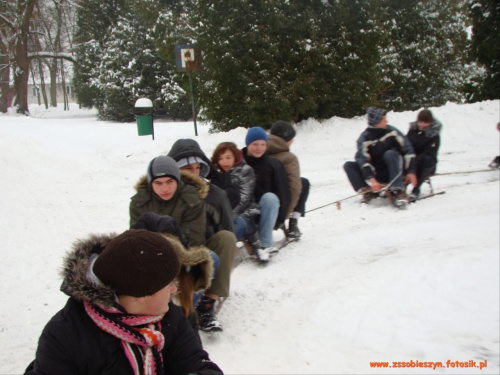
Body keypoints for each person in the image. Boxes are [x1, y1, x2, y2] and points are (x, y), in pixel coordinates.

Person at [24, 229, 222, 375]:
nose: (174, 290)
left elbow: (196, 363)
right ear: (141, 294)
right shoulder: (65, 336)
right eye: (169, 284)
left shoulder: (173, 317)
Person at [130, 155, 225, 333]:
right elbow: (136, 237)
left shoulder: (192, 199)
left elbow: (195, 241)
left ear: (177, 179)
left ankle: (183, 313)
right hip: (151, 259)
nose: (165, 188)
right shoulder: (139, 202)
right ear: (151, 183)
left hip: (183, 254)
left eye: (169, 182)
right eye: (158, 183)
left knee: (209, 259)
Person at [167, 139, 237, 331]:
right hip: (172, 253)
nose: (194, 172)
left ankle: (208, 303)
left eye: (197, 167)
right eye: (188, 168)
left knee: (227, 238)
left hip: (205, 248)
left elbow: (227, 227)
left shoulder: (215, 194)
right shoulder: (165, 191)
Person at [343, 107, 417, 207]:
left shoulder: (392, 131)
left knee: (390, 153)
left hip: (395, 171)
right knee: (349, 165)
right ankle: (368, 192)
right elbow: (363, 160)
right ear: (376, 122)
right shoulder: (365, 138)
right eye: (383, 119)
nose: (386, 121)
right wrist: (372, 179)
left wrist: (411, 171)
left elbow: (408, 149)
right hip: (377, 173)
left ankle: (398, 191)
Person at [211, 142, 269, 262]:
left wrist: (227, 216)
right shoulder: (216, 175)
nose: (224, 162)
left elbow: (244, 199)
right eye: (220, 158)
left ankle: (258, 246)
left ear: (235, 157)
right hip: (225, 213)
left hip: (247, 210)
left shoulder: (245, 171)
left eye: (228, 157)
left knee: (241, 220)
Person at [242, 127, 290, 256]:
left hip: (265, 212)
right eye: (255, 144)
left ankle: (266, 244)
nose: (259, 148)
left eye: (263, 144)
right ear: (248, 144)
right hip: (243, 211)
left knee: (270, 198)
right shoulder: (238, 162)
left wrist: (280, 219)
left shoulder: (273, 164)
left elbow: (283, 192)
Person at [267, 120, 310, 239]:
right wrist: (282, 217)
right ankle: (293, 222)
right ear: (287, 140)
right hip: (280, 205)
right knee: (304, 183)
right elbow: (295, 188)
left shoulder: (259, 149)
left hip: (263, 201)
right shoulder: (289, 158)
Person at [406, 109, 443, 201]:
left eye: (425, 123)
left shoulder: (434, 135)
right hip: (412, 160)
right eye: (420, 122)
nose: (422, 125)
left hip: (426, 162)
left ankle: (416, 189)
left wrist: (416, 160)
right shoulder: (413, 130)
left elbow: (430, 152)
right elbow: (406, 144)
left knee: (426, 160)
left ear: (430, 122)